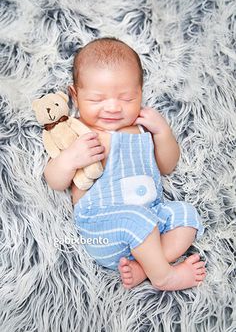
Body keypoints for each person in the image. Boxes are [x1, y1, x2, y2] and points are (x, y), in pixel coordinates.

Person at [44, 37, 206, 291]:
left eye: (127, 98)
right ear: (75, 95)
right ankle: (165, 277)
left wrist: (163, 133)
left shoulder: (141, 130)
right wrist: (70, 159)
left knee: (186, 215)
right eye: (97, 99)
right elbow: (53, 179)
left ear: (140, 92)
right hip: (103, 228)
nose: (112, 107)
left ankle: (145, 267)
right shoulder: (79, 134)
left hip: (151, 218)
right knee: (136, 218)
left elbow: (167, 165)